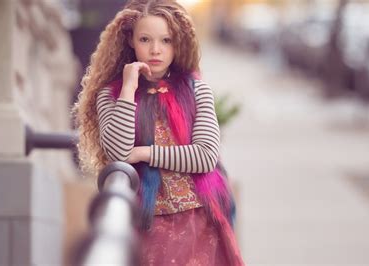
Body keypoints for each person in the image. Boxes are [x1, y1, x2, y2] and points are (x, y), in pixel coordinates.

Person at [73, 0, 244, 265]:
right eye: (145, 39)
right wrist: (129, 88)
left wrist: (144, 152)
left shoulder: (197, 91)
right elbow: (118, 152)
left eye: (166, 40)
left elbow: (205, 156)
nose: (156, 50)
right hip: (144, 221)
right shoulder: (111, 94)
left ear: (178, 42)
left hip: (199, 219)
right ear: (130, 39)